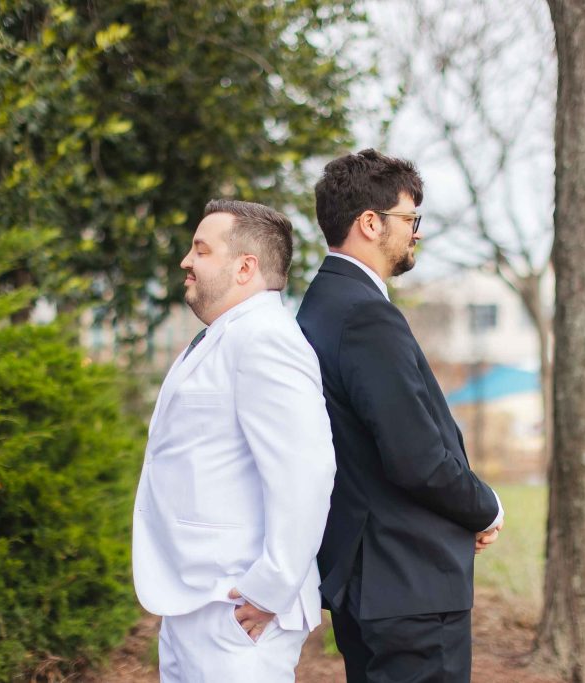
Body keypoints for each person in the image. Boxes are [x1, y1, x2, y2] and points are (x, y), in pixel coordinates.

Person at [297, 149, 504, 682]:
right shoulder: (365, 315)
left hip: (369, 579)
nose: (417, 234)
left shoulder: (320, 306)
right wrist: (485, 507)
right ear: (371, 223)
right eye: (411, 220)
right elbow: (417, 458)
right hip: (408, 582)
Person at [132, 199, 336, 682]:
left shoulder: (267, 339)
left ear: (246, 267)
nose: (186, 260)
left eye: (201, 249)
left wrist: (269, 589)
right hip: (194, 599)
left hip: (237, 609)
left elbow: (306, 472)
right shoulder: (217, 338)